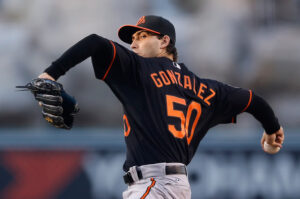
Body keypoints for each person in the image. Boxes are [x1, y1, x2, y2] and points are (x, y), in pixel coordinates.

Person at [38, 15, 284, 199]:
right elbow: (252, 100)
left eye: (142, 36)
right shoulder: (205, 88)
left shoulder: (140, 68)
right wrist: (272, 130)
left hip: (154, 185)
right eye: (132, 39)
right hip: (171, 186)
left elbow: (95, 43)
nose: (133, 44)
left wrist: (50, 74)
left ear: (165, 41)